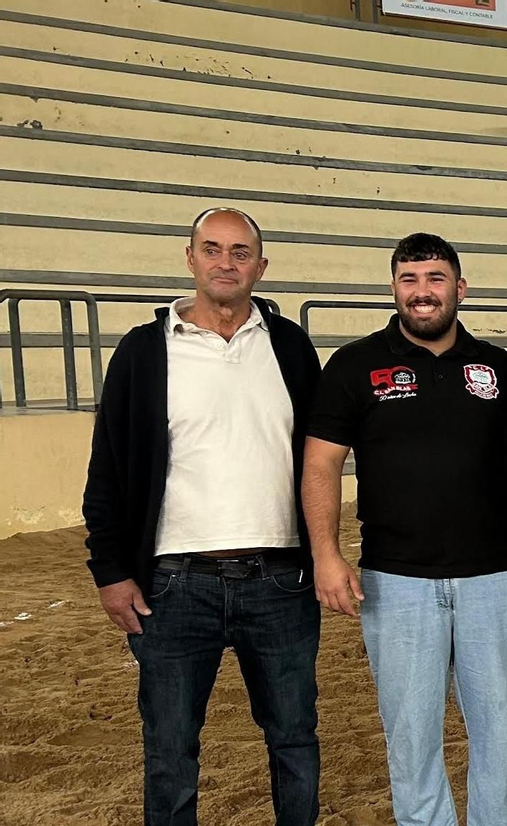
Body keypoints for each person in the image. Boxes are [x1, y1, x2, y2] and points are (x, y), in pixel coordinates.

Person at [82, 207, 323, 825]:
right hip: (172, 586)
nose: (226, 262)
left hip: (280, 582)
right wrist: (110, 571)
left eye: (241, 252)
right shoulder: (142, 351)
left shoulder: (292, 348)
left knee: (294, 740)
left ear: (261, 267)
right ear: (190, 259)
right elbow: (107, 469)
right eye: (212, 249)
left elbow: (321, 459)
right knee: (169, 752)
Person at [301, 233, 507, 826]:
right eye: (410, 280)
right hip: (396, 581)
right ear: (394, 290)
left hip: (493, 578)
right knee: (410, 737)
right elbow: (321, 464)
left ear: (459, 289)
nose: (422, 292)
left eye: (435, 279)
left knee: (499, 732)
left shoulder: (498, 367)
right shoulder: (354, 366)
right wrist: (326, 557)